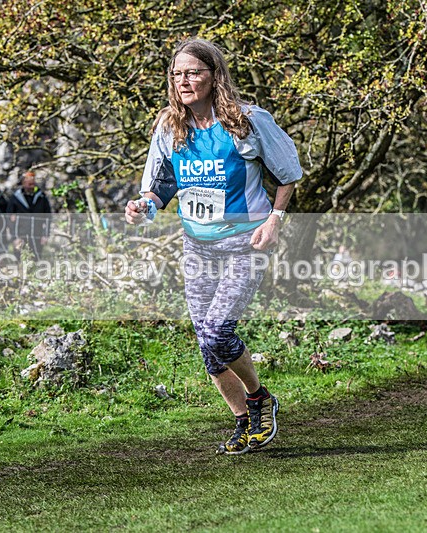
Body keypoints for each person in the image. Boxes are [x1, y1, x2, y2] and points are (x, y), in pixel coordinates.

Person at [125, 38, 301, 455]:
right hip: (197, 247)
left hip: (244, 242)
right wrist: (143, 206)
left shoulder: (247, 120)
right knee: (207, 343)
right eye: (177, 74)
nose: (183, 81)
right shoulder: (170, 126)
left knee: (219, 331)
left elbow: (288, 174)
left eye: (192, 72)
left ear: (214, 75)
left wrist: (275, 220)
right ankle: (244, 421)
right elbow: (161, 185)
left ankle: (259, 398)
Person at [7, 171, 52, 260]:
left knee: (36, 260)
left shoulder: (42, 197)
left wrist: (45, 235)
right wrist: (15, 237)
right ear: (23, 183)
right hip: (20, 236)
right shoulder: (15, 198)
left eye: (33, 182)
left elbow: (48, 217)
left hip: (37, 236)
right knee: (20, 261)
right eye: (29, 183)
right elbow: (9, 218)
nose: (31, 185)